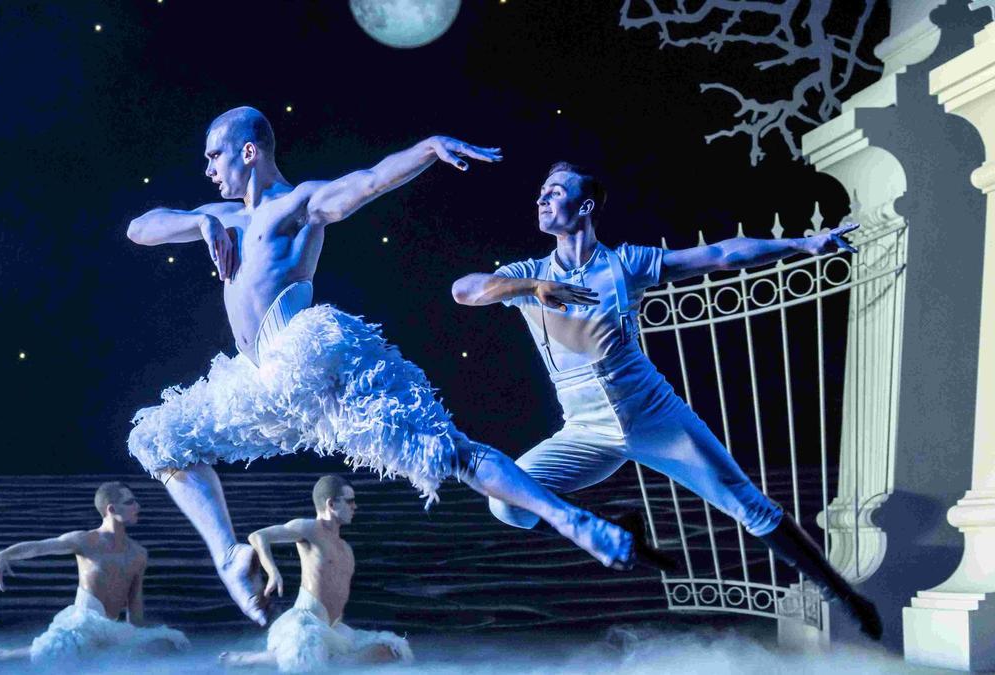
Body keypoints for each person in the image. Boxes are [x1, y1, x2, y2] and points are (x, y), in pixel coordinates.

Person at [126, 107, 672, 625]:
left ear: (247, 152)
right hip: (259, 382)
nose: (207, 169)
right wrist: (200, 222)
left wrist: (427, 149)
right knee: (159, 440)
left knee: (447, 450)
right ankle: (229, 559)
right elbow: (139, 228)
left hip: (307, 362)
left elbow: (368, 181)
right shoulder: (221, 218)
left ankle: (574, 522)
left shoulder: (298, 205)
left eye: (213, 156)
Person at [450, 161, 882, 640]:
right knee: (506, 501)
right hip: (585, 430)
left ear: (585, 206)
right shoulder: (527, 274)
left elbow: (720, 255)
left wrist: (804, 243)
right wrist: (531, 288)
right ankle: (616, 531)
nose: (541, 199)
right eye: (540, 192)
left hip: (654, 415)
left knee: (749, 506)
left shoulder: (625, 263)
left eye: (554, 192)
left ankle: (845, 595)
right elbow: (464, 290)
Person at [0, 482, 189, 663]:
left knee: (169, 642)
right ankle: (4, 655)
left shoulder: (139, 553)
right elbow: (41, 547)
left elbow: (135, 608)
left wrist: (140, 638)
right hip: (82, 625)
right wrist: (4, 554)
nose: (137, 506)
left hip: (111, 630)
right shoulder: (86, 540)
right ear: (112, 509)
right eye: (130, 502)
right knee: (60, 651)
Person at [221, 476, 412, 672]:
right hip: (305, 624)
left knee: (392, 649)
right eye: (350, 501)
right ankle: (248, 659)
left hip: (333, 629)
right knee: (306, 660)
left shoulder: (345, 548)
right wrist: (272, 571)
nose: (355, 507)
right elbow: (258, 536)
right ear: (331, 503)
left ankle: (321, 657)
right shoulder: (309, 528)